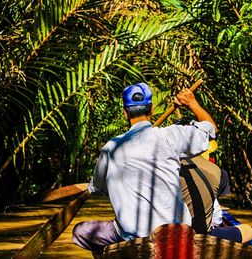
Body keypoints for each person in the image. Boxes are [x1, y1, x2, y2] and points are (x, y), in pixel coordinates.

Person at [72, 82, 217, 251]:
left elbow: (97, 187)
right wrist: (192, 103)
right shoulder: (170, 136)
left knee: (80, 232)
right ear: (152, 109)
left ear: (125, 112)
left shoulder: (111, 148)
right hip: (177, 233)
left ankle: (113, 253)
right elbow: (211, 129)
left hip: (133, 237)